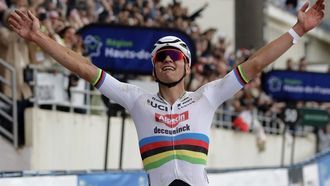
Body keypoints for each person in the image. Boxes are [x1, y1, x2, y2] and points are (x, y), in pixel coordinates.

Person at [7, 0, 325, 185]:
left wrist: (297, 31)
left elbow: (255, 64)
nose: (168, 61)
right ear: (154, 67)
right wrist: (37, 37)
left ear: (187, 67)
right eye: (162, 56)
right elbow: (84, 68)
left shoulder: (208, 97)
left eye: (176, 56)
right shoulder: (136, 100)